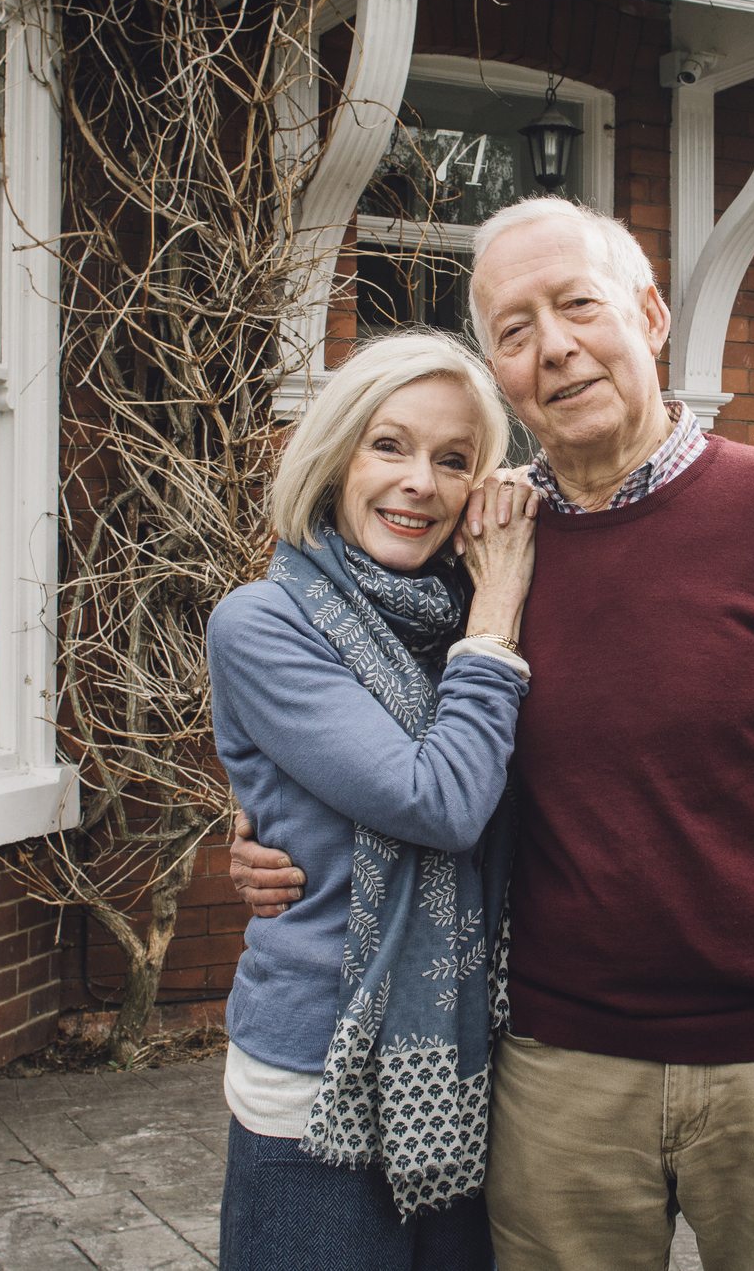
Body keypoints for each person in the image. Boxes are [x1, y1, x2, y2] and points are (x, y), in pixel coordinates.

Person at [232, 198, 754, 1271]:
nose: (555, 346)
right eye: (514, 329)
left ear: (650, 315)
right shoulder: (479, 553)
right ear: (499, 368)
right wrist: (271, 839)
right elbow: (390, 733)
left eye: (577, 306)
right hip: (553, 1075)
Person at [209, 331, 540, 1271]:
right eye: (387, 446)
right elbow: (436, 802)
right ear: (334, 455)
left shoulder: (463, 614)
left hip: (469, 1071)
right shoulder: (262, 622)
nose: (418, 485)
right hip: (317, 1074)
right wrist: (494, 624)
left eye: (452, 461)